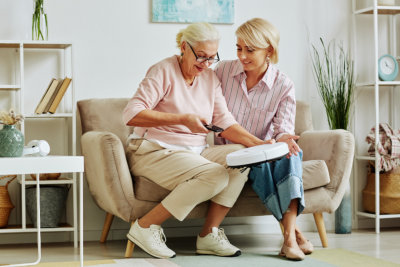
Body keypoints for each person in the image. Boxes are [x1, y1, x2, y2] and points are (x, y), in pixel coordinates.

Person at [122, 22, 273, 259]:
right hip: (154, 151)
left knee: (241, 157)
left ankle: (208, 235)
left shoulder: (210, 78)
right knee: (215, 175)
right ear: (185, 47)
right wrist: (182, 119)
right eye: (201, 56)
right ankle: (144, 227)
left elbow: (224, 121)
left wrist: (258, 144)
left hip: (196, 152)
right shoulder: (163, 70)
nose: (205, 64)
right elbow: (131, 114)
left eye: (212, 58)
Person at [214, 18, 313, 261]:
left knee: (291, 155)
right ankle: (294, 235)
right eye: (239, 48)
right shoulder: (222, 71)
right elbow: (214, 117)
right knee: (258, 160)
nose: (242, 56)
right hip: (233, 151)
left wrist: (287, 139)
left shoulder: (283, 84)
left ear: (269, 49)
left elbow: (282, 128)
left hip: (267, 150)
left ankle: (288, 239)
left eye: (250, 49)